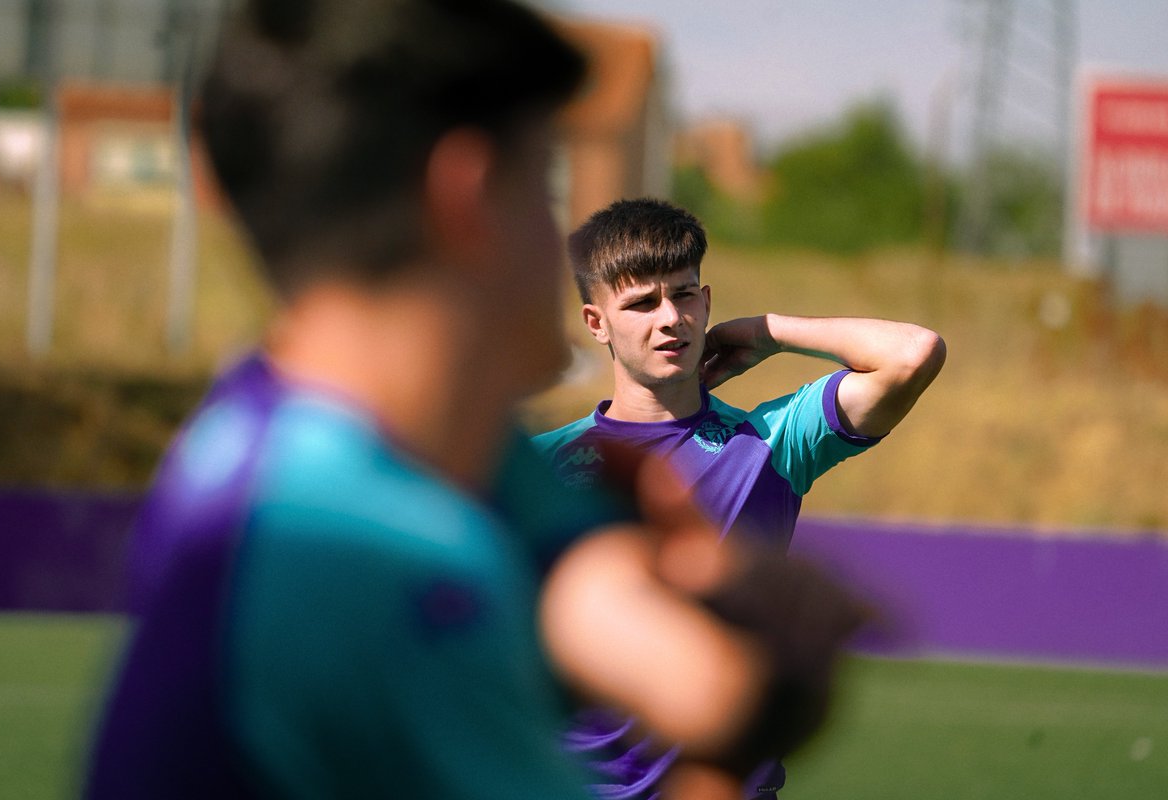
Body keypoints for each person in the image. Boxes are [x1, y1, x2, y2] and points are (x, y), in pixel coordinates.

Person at [83, 3, 866, 798]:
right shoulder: (346, 547)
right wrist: (760, 689)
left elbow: (638, 631)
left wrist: (727, 676)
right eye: (544, 185)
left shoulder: (358, 444)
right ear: (472, 197)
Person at [534, 198, 946, 798]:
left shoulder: (770, 440)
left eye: (684, 295)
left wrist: (766, 332)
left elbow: (913, 354)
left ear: (706, 301)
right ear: (597, 323)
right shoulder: (541, 465)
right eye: (642, 303)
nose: (670, 318)